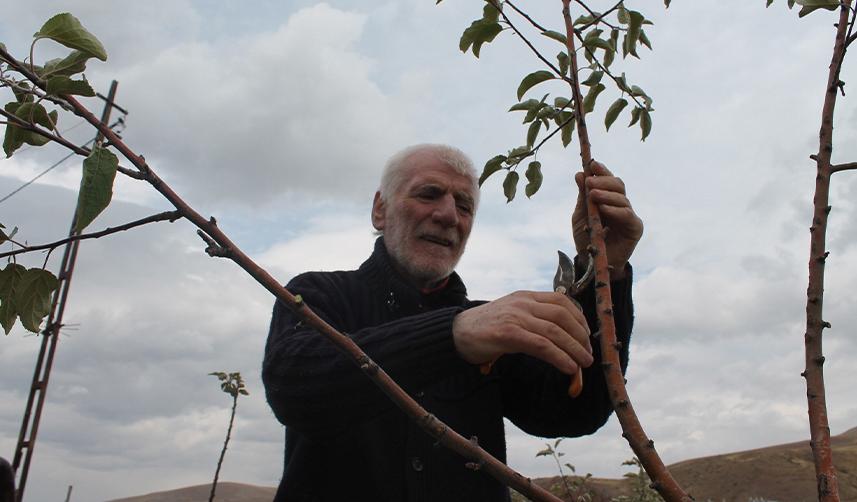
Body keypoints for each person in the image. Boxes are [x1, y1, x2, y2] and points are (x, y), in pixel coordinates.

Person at [263, 144, 643, 502]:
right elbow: (293, 387)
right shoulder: (316, 294)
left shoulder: (495, 330)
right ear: (380, 209)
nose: (448, 216)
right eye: (429, 194)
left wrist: (605, 268)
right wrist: (454, 335)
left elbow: (575, 412)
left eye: (464, 206)